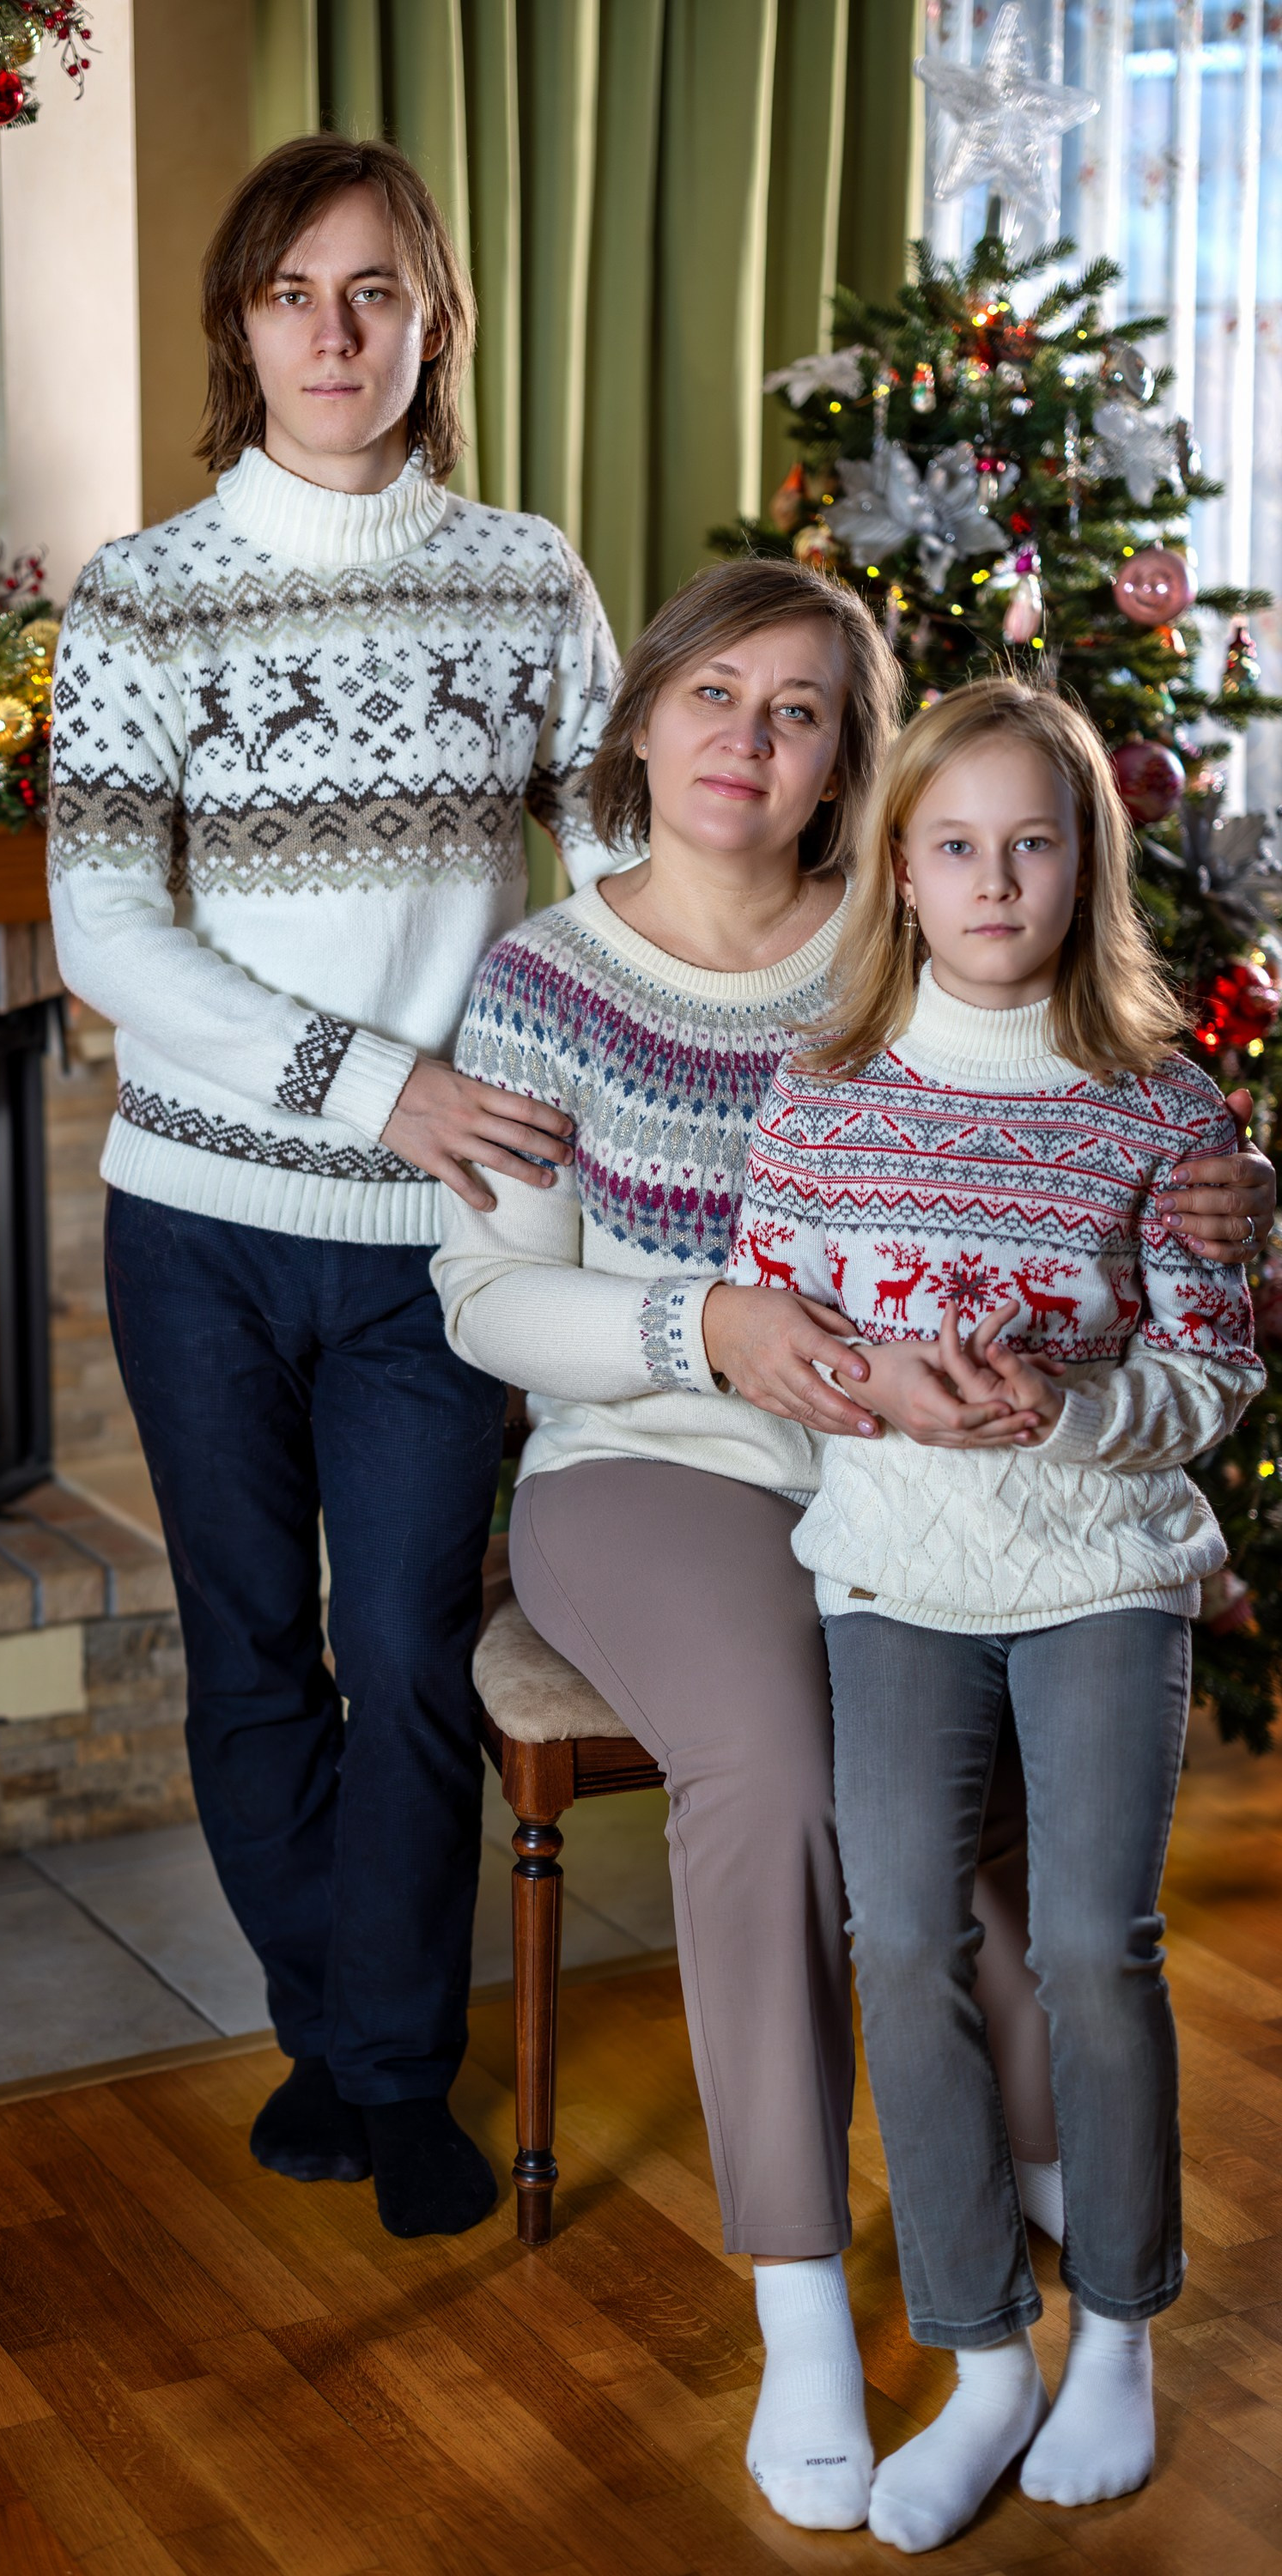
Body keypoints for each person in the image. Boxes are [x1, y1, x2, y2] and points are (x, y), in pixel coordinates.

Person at [431, 561, 1275, 2532]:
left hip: (935, 1479)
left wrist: (1233, 1191)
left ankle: (1057, 2171)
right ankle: (805, 2297)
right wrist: (704, 1327)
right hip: (656, 1456)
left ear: (855, 778)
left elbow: (1107, 1109)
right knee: (797, 1771)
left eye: (801, 710)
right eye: (713, 694)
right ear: (641, 722)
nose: (749, 738)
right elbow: (484, 1296)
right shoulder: (548, 978)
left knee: (968, 1817)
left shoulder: (909, 930)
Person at [46, 134, 617, 2239]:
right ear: (241, 327)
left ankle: (387, 2062)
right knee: (248, 1655)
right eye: (293, 291)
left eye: (374, 289)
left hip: (439, 1246)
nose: (333, 331)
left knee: (404, 1643)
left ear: (433, 324)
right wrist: (372, 1082)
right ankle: (348, 2041)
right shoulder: (143, 596)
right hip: (200, 1221)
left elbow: (626, 874)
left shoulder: (527, 571)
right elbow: (106, 933)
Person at [729, 677, 1264, 2551]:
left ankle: (1116, 2327)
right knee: (897, 1942)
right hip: (896, 1573)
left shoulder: (1160, 1105)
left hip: (1101, 1571)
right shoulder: (819, 1091)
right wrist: (878, 1387)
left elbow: (1211, 1374)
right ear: (898, 867)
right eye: (953, 843)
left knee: (1094, 1948)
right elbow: (770, 1336)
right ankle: (982, 2356)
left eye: (1031, 842)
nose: (993, 877)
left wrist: (1072, 1407)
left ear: (1083, 864)